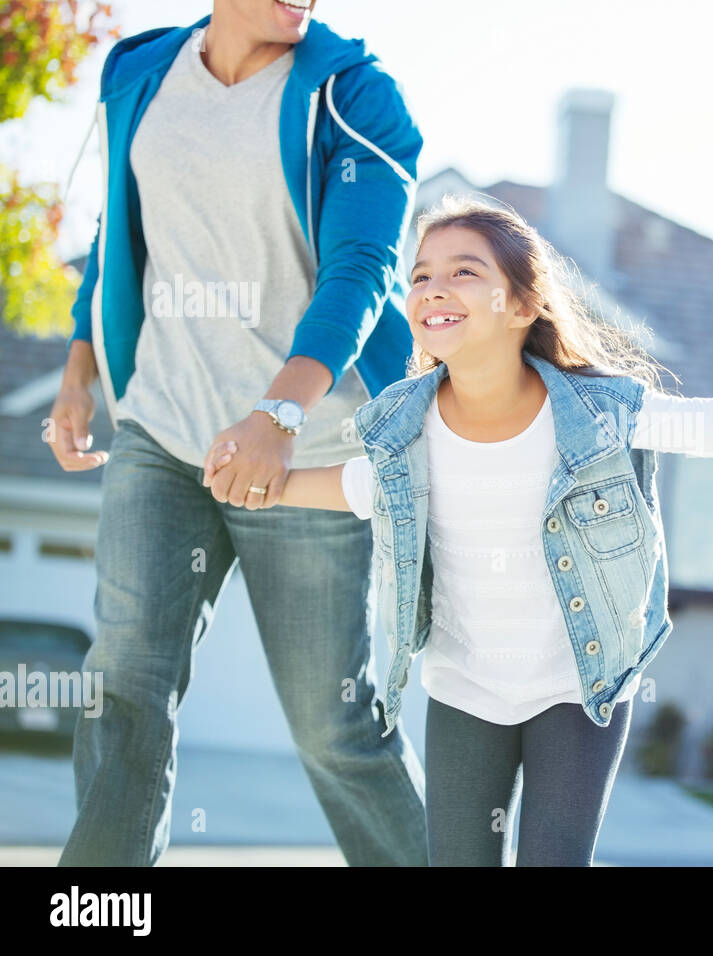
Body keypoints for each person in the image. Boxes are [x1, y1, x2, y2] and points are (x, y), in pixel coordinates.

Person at [204, 195, 713, 865]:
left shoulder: (593, 412)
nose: (433, 288)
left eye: (463, 271)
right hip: (465, 686)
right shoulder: (404, 425)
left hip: (580, 684)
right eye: (419, 276)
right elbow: (361, 489)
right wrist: (266, 484)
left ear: (523, 305)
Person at [49, 1, 428, 865]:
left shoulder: (357, 99)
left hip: (308, 452)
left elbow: (362, 270)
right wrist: (80, 369)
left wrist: (278, 411)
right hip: (161, 431)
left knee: (332, 724)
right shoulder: (139, 73)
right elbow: (119, 229)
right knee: (125, 690)